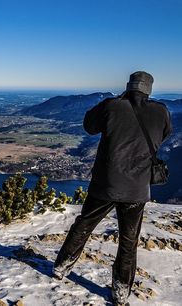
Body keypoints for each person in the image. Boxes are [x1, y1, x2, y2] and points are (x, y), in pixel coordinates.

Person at [52, 71, 172, 305]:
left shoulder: (112, 105)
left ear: (129, 86)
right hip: (136, 190)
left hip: (105, 184)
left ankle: (61, 267)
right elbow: (162, 136)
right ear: (149, 89)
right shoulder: (162, 111)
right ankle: (120, 292)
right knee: (129, 241)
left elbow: (89, 125)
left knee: (84, 225)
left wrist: (115, 102)